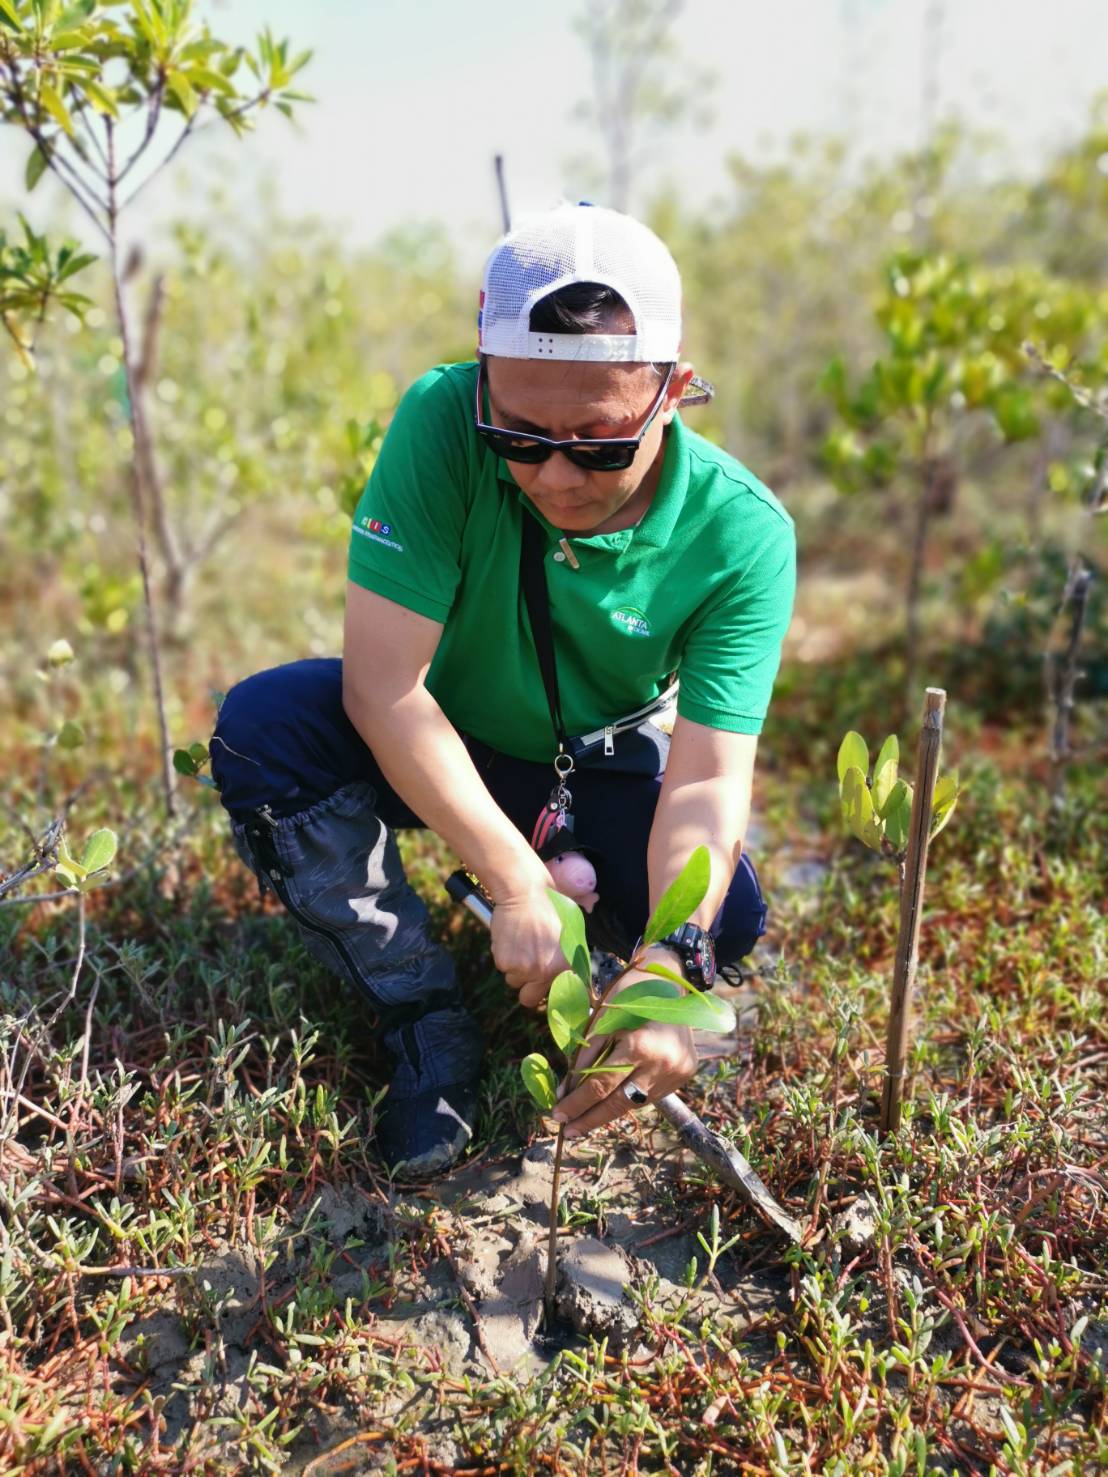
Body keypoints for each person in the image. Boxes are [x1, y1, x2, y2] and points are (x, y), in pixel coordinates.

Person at [210, 203, 796, 1177]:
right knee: (261, 729)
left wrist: (670, 963)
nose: (555, 476)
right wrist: (514, 880)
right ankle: (419, 1013)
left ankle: (610, 967)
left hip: (586, 763)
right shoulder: (441, 421)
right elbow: (386, 689)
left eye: (600, 443)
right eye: (518, 437)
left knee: (723, 913)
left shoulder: (742, 535)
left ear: (673, 392)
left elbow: (703, 780)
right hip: (436, 734)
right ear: (484, 381)